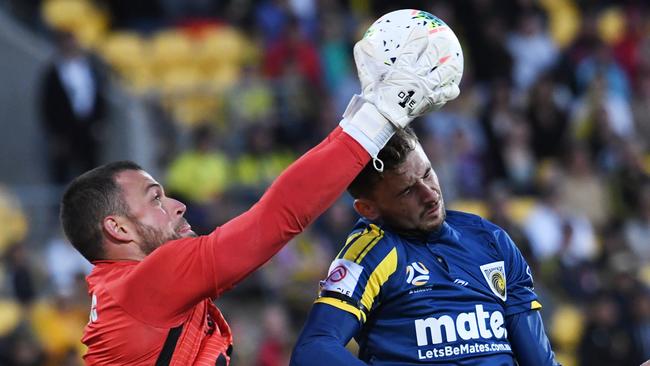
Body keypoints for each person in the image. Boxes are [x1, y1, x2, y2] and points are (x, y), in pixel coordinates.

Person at [58, 34, 461, 365]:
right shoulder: (145, 283)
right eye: (156, 198)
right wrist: (380, 116)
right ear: (118, 227)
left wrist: (360, 116)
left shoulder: (123, 293)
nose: (178, 205)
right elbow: (275, 217)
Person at [290, 127, 560, 365]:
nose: (431, 195)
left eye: (428, 174)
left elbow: (539, 361)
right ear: (368, 208)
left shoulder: (492, 241)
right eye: (408, 191)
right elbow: (312, 350)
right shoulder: (371, 252)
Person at [39, 31, 107, 184]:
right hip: (64, 132)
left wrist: (100, 122)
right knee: (62, 176)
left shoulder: (91, 69)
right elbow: (47, 105)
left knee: (91, 175)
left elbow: (100, 97)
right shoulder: (53, 73)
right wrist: (55, 133)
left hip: (88, 129)